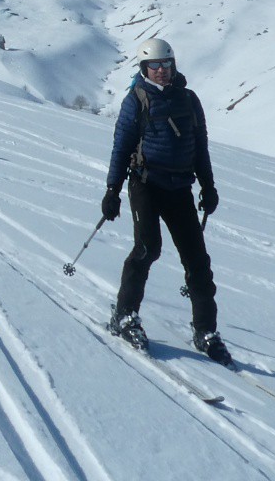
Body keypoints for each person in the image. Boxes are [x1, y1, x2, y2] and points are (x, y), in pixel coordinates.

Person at [99, 36, 230, 364]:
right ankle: (124, 315)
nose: (161, 71)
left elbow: (200, 147)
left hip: (180, 188)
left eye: (166, 64)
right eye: (154, 66)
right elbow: (121, 146)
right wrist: (112, 190)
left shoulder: (188, 100)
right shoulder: (136, 100)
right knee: (147, 249)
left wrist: (208, 187)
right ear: (144, 68)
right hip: (146, 184)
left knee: (198, 260)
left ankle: (206, 331)